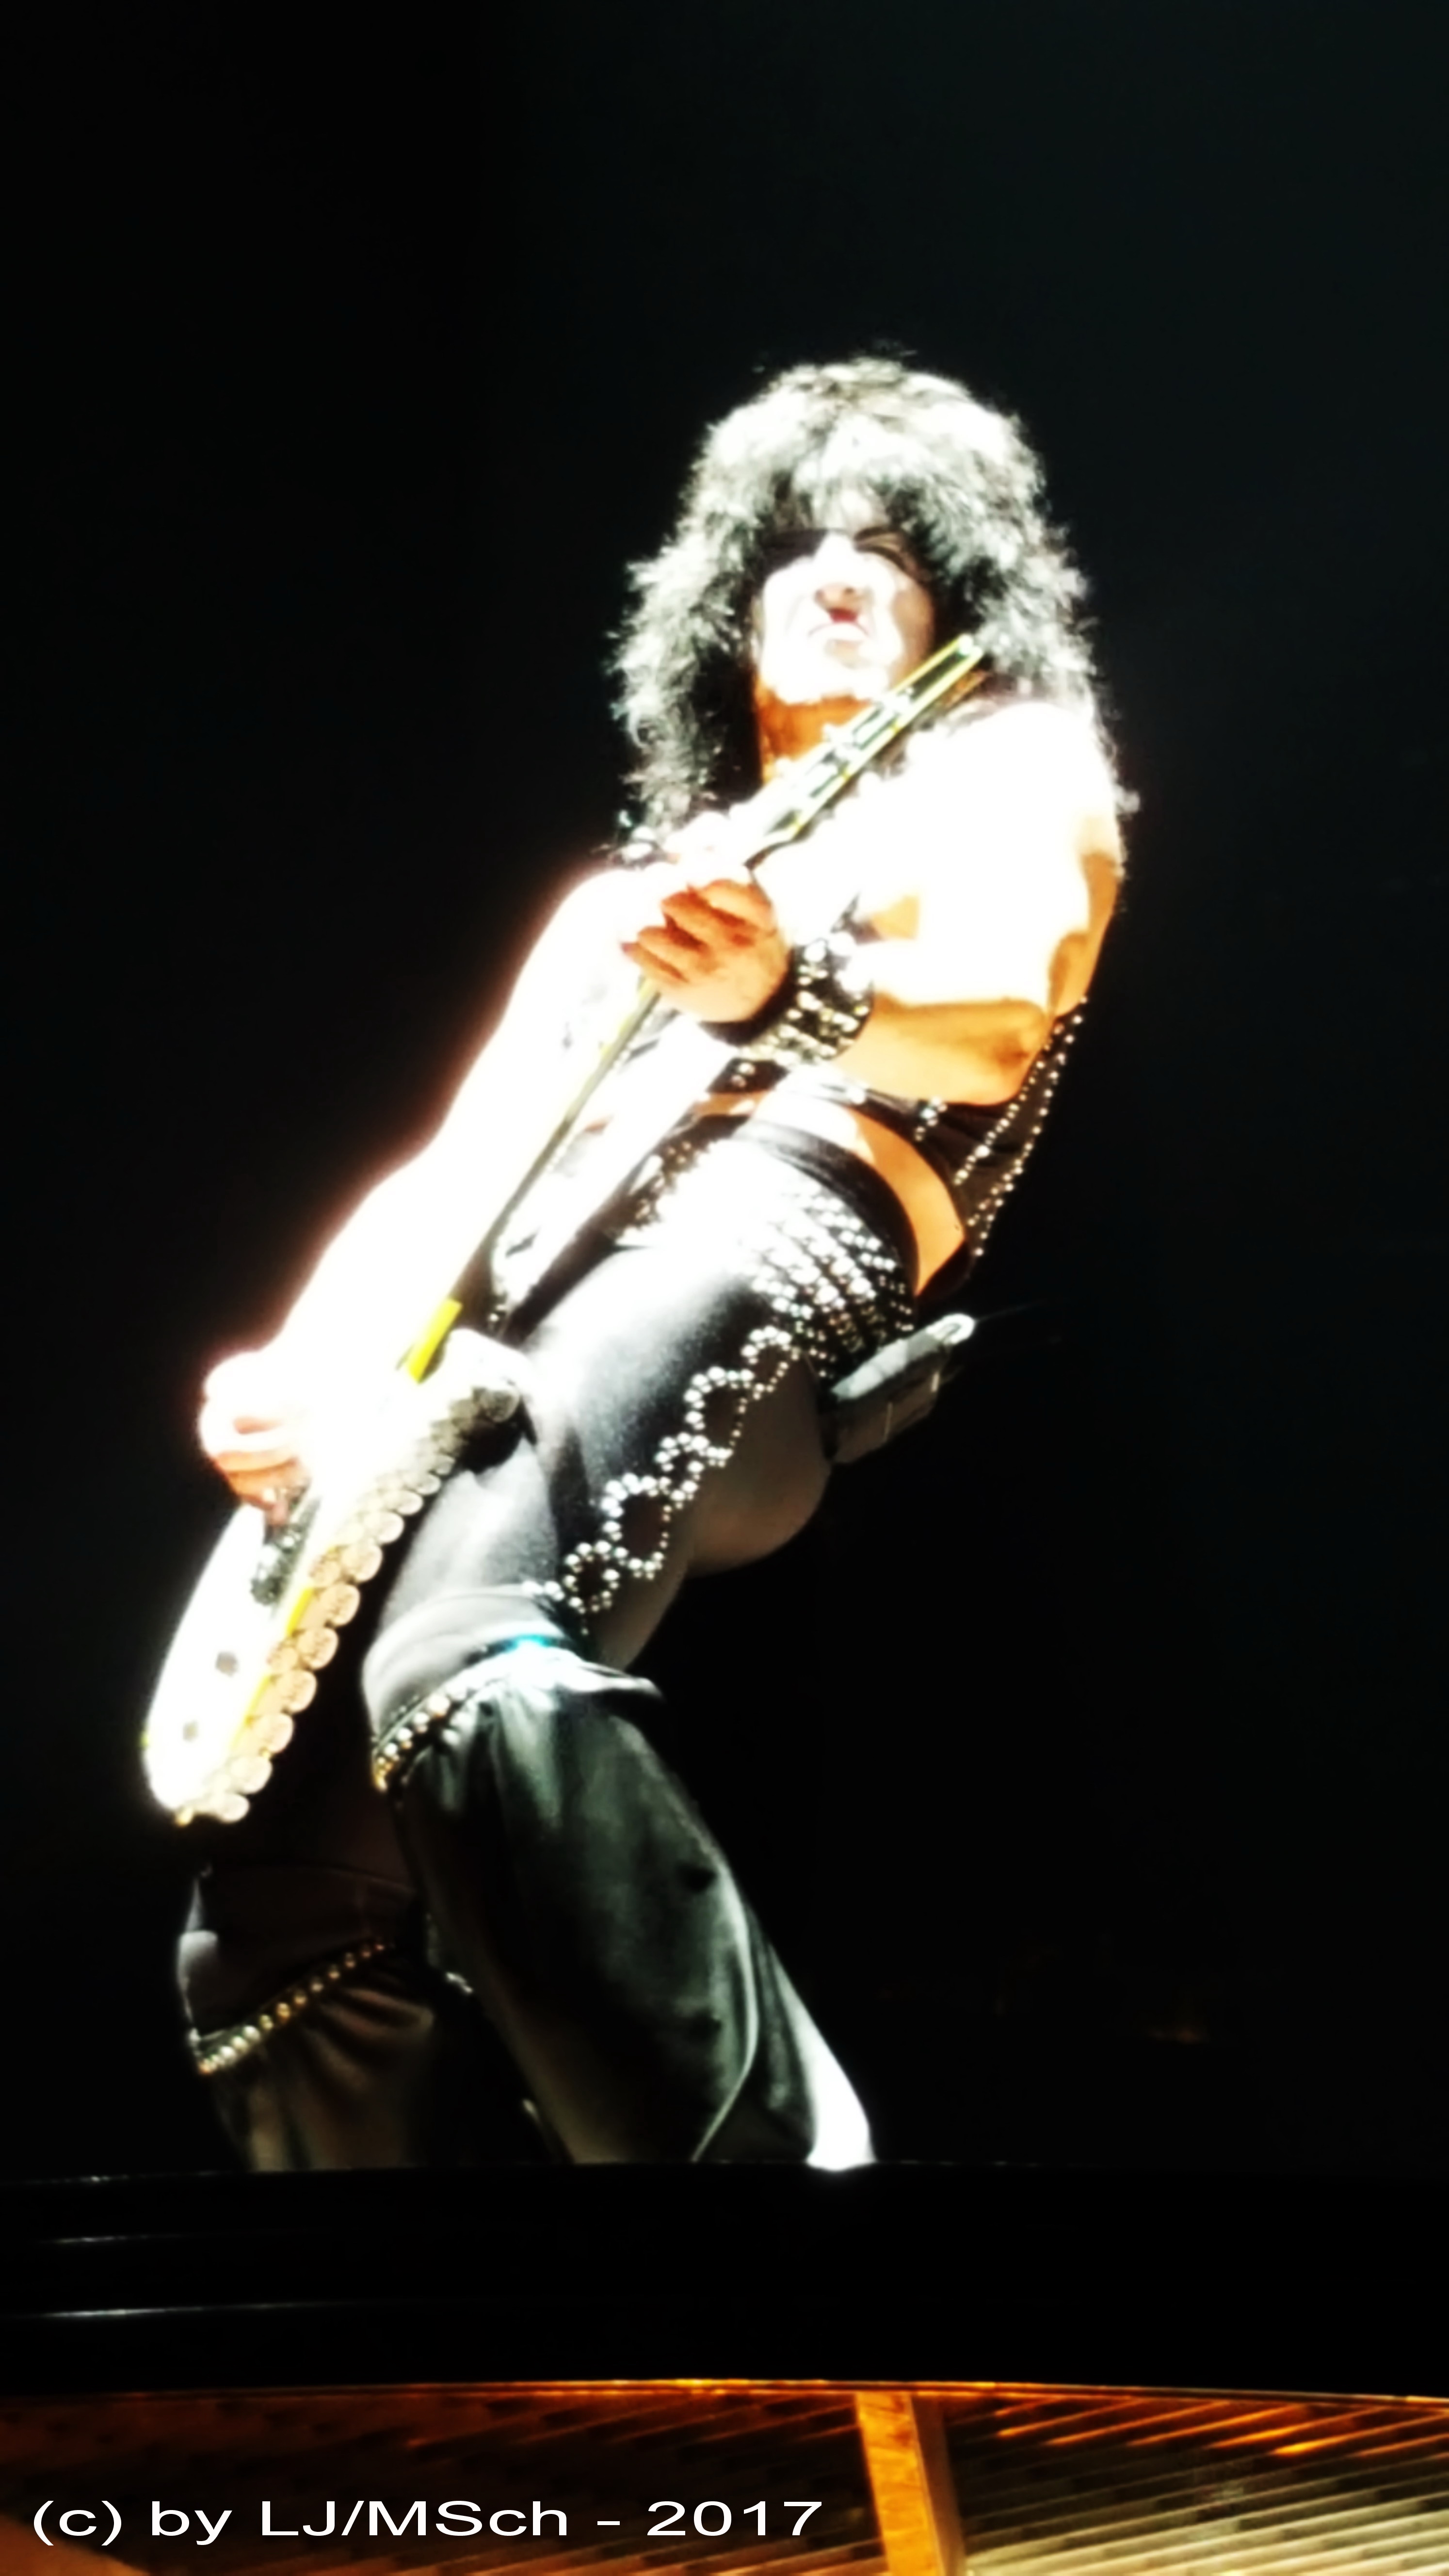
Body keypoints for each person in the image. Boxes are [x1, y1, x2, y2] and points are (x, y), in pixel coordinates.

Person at [180, 357, 1124, 2169]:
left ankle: (776, 2208)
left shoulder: (1002, 764)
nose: (836, 572)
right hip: (513, 1320)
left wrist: (790, 988)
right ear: (727, 607)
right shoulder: (630, 897)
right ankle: (365, 2312)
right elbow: (460, 1167)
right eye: (797, 546)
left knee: (465, 1662)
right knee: (280, 1911)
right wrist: (306, 1359)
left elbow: (994, 1018)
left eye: (889, 549)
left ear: (956, 598)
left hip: (771, 1244)